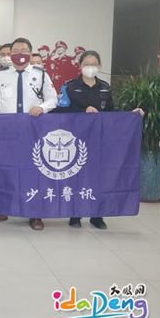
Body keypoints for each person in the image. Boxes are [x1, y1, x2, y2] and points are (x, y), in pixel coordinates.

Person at [54, 50, 144, 230]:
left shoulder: (104, 87)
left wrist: (130, 115)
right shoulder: (70, 86)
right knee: (77, 176)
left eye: (94, 64)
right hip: (76, 139)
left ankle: (97, 215)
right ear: (80, 66)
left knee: (99, 176)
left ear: (99, 66)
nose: (90, 67)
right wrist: (83, 111)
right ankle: (75, 214)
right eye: (87, 64)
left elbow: (110, 112)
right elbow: (60, 111)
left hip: (100, 139)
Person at [0, 37, 58, 231]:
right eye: (15, 51)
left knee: (33, 171)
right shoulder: (0, 75)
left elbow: (53, 99)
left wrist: (41, 107)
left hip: (32, 131)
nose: (19, 54)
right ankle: (0, 210)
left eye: (23, 50)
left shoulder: (41, 75)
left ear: (30, 53)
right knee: (3, 170)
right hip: (5, 132)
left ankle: (35, 213)